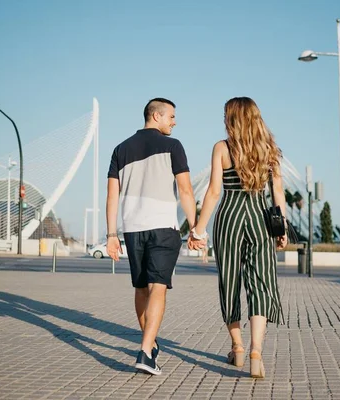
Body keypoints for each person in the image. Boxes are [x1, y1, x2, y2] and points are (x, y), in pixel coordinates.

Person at [189, 97, 287, 378]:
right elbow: (277, 194)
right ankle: (257, 349)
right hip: (259, 218)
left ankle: (238, 347)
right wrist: (281, 230)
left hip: (230, 216)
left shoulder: (221, 148)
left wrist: (198, 230)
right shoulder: (269, 149)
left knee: (229, 281)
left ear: (231, 118)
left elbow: (214, 192)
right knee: (260, 284)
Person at [105, 98, 197, 376]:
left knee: (141, 288)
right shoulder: (173, 146)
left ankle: (150, 342)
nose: (174, 121)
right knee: (157, 287)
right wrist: (195, 227)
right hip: (163, 227)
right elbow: (185, 191)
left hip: (132, 228)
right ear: (156, 116)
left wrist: (112, 234)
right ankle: (145, 352)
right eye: (171, 116)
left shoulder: (120, 149)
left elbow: (112, 195)